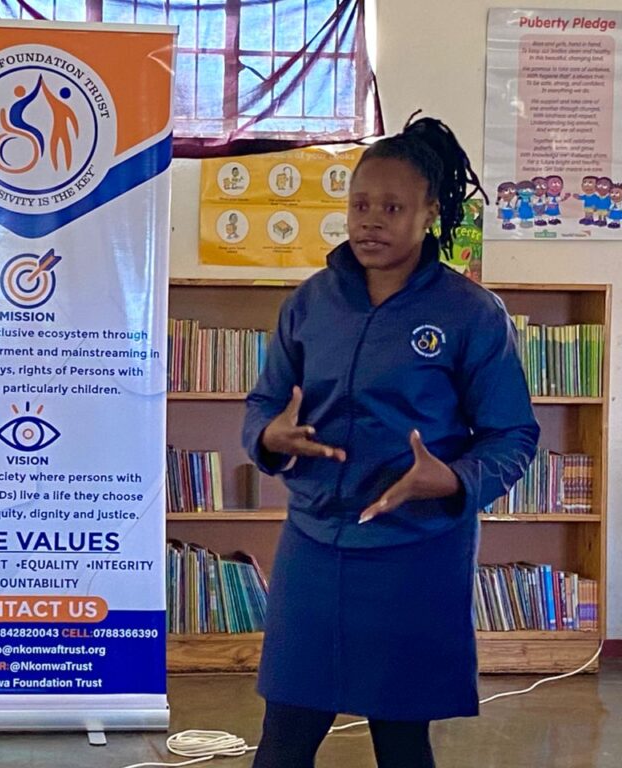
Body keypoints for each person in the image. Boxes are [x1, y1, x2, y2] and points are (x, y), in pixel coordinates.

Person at [242, 114, 539, 768]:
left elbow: (513, 435)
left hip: (415, 554)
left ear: (430, 214)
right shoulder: (310, 303)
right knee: (284, 739)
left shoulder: (470, 313)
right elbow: (265, 401)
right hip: (315, 547)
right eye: (360, 205)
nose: (371, 221)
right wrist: (270, 433)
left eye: (393, 207)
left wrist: (452, 479)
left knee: (401, 740)